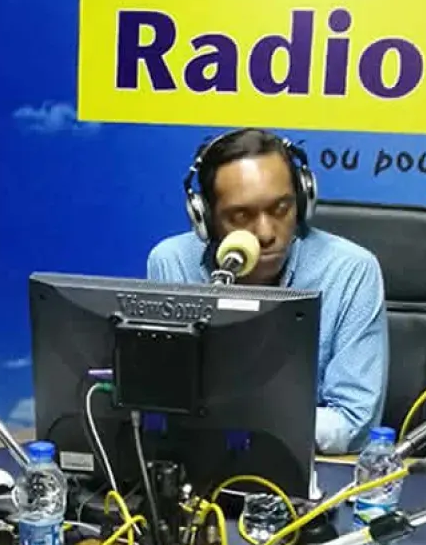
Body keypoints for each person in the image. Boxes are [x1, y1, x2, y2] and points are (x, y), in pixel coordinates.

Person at [147, 128, 388, 454]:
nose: (265, 233)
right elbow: (161, 400)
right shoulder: (173, 262)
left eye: (280, 208)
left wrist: (241, 420)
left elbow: (354, 422)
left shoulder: (350, 270)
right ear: (205, 218)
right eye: (241, 215)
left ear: (302, 200)